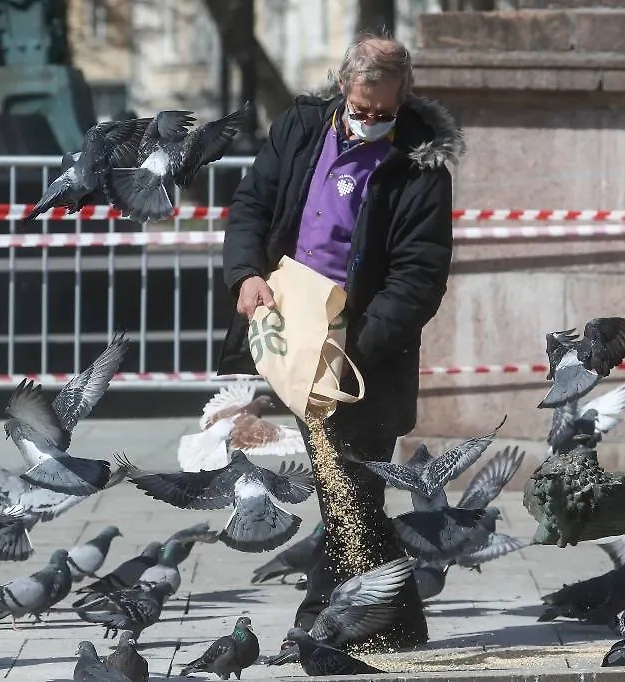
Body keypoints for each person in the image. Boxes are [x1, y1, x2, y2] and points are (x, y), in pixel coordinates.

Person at [216, 33, 464, 650]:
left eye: (385, 113)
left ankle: (326, 613)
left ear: (403, 100)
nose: (371, 121)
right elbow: (252, 204)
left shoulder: (421, 166)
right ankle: (385, 617)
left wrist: (354, 350)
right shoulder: (301, 127)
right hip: (291, 326)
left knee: (351, 486)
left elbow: (418, 279)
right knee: (344, 489)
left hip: (365, 352)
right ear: (342, 90)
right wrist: (246, 274)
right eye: (361, 108)